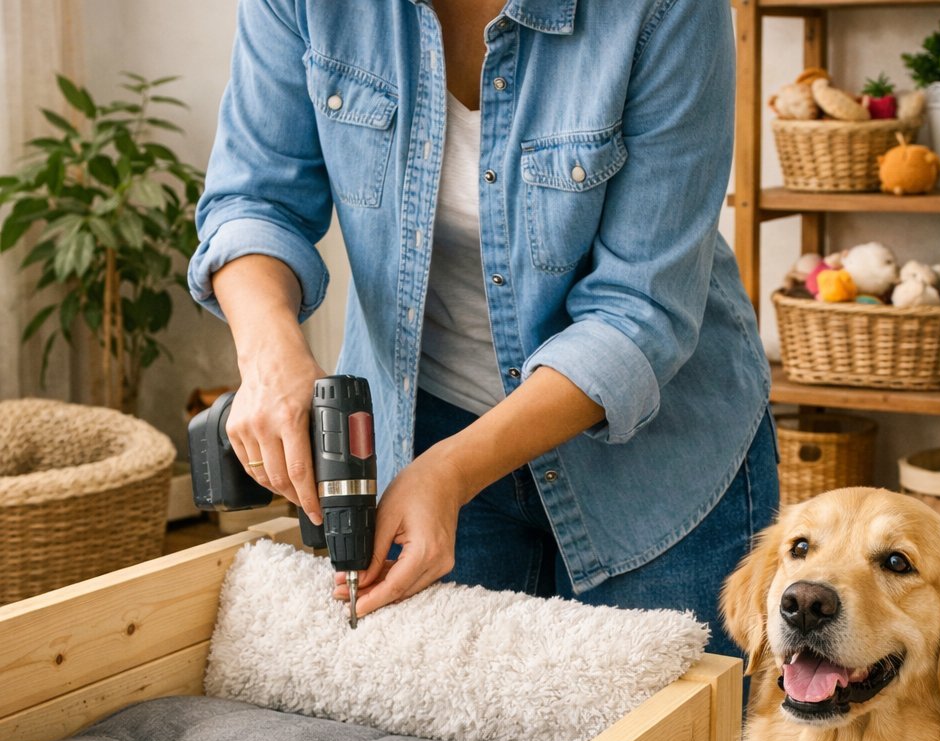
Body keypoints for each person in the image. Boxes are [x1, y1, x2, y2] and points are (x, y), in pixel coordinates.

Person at [188, 0, 776, 654]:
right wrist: (272, 360)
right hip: (426, 425)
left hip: (655, 467)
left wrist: (453, 472)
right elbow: (255, 200)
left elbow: (638, 309)